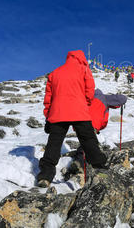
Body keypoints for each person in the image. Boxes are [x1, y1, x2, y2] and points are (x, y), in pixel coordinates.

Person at [37, 50, 106, 188]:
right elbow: (90, 91)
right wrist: (83, 103)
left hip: (58, 112)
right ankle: (100, 168)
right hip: (79, 111)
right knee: (88, 140)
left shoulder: (55, 72)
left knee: (54, 144)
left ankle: (45, 176)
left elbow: (48, 99)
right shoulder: (84, 69)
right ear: (82, 58)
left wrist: (48, 116)